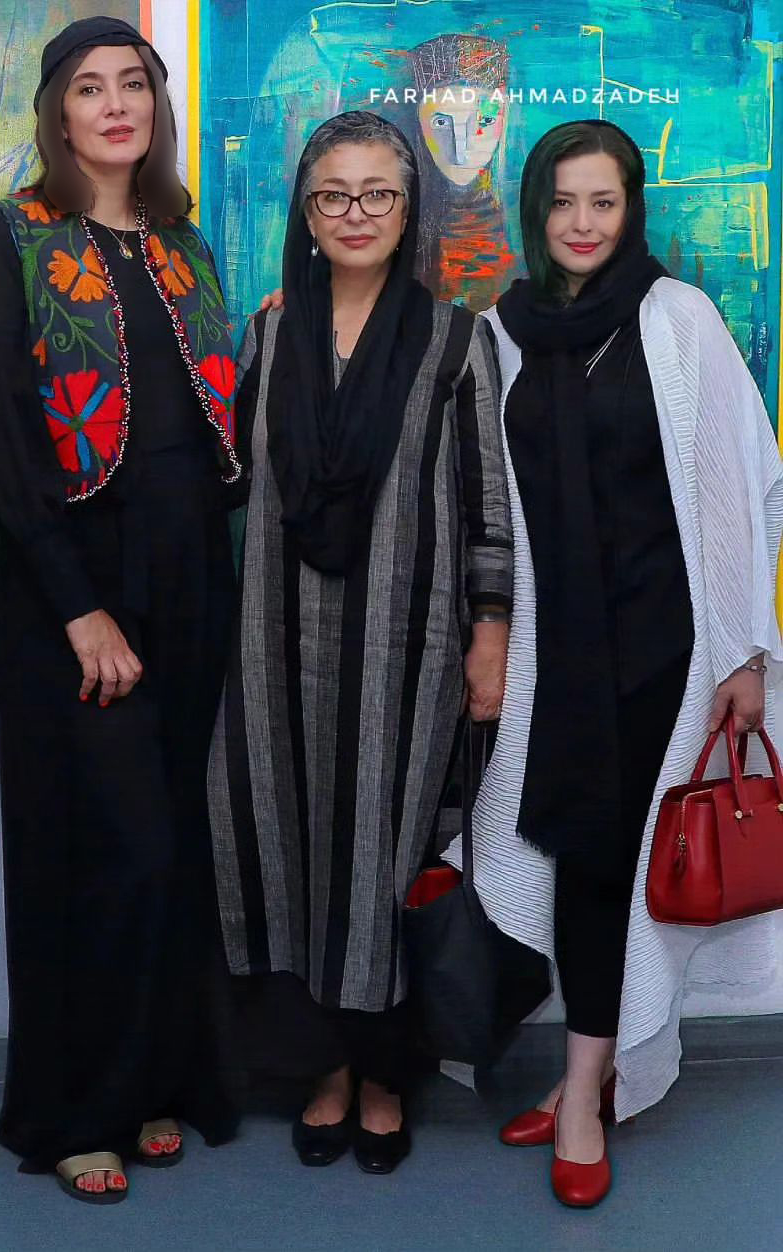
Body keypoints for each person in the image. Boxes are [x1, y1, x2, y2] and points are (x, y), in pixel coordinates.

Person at [469, 119, 783, 1207]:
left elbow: (740, 488)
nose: (583, 223)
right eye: (563, 201)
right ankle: (587, 1080)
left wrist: (746, 651)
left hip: (662, 646)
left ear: (632, 208)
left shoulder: (679, 318)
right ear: (536, 210)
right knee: (566, 852)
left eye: (603, 201)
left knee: (607, 861)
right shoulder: (502, 330)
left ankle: (580, 1097)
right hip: (554, 645)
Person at [0, 17, 242, 1205]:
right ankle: (75, 1110)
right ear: (58, 113)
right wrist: (79, 608)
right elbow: (1, 436)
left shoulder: (183, 241)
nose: (116, 104)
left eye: (134, 83)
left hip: (192, 580)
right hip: (73, 587)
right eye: (90, 87)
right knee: (102, 851)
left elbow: (214, 425)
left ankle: (153, 1080)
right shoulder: (14, 235)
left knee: (173, 843)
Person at [207, 110, 512, 1176]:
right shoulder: (268, 336)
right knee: (288, 858)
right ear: (306, 211)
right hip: (274, 651)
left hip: (405, 654)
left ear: (408, 209)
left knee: (386, 864)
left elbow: (486, 503)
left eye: (378, 192)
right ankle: (325, 1070)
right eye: (332, 194)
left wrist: (490, 635)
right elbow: (232, 478)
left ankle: (385, 1078)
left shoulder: (454, 340)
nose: (355, 213)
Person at [406, 32, 516, 308]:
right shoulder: (399, 229)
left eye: (484, 121)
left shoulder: (527, 229)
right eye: (442, 124)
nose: (461, 150)